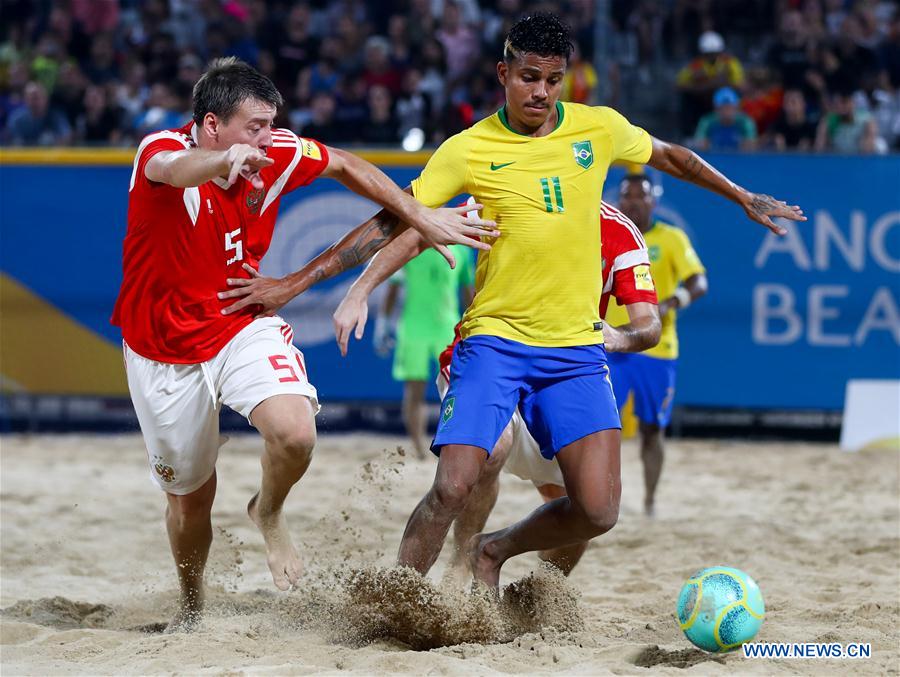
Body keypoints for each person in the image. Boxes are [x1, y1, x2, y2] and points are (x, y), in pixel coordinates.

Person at [234, 13, 804, 591]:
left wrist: (741, 195)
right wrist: (305, 281)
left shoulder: (598, 128)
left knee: (598, 512)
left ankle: (491, 551)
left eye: (554, 79)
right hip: (495, 343)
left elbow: (672, 156)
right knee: (454, 484)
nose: (542, 92)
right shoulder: (469, 148)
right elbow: (395, 221)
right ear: (504, 73)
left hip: (575, 348)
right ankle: (393, 601)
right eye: (530, 77)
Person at [113, 57, 497, 632]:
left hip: (241, 315)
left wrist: (416, 211)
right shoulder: (160, 151)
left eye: (272, 124)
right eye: (255, 127)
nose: (270, 139)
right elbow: (174, 167)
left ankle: (267, 511)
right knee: (191, 501)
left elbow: (344, 164)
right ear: (213, 124)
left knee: (295, 432)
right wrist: (224, 160)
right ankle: (191, 607)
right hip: (161, 347)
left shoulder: (278, 152)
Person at [332, 200, 660, 577]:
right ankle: (453, 565)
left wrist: (621, 336)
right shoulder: (509, 192)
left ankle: (518, 572)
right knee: (486, 453)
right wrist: (359, 291)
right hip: (490, 357)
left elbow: (649, 325)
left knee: (589, 508)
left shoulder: (615, 229)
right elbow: (419, 230)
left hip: (564, 377)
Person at [604, 174, 708, 517]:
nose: (634, 201)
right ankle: (602, 500)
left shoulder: (671, 238)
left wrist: (670, 302)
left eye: (641, 195)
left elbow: (698, 281)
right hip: (611, 344)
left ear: (654, 201)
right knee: (601, 427)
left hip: (656, 349)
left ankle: (649, 500)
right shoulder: (607, 233)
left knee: (652, 428)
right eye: (627, 195)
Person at [376, 244, 475, 458]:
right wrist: (382, 324)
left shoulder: (462, 251)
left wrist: (477, 325)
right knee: (414, 390)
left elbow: (469, 294)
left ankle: (453, 445)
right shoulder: (410, 248)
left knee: (456, 390)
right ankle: (420, 451)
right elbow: (392, 290)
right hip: (414, 328)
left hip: (447, 328)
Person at [694, 87, 758, 151]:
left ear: (736, 107)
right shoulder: (707, 121)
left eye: (729, 107)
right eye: (723, 108)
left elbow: (751, 146)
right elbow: (700, 145)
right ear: (716, 108)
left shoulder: (745, 122)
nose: (726, 111)